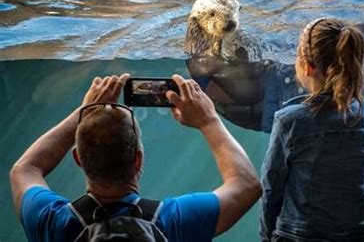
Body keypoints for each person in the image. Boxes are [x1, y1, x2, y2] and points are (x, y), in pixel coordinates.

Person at [10, 73, 262, 241]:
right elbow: (247, 185)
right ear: (138, 160)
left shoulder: (54, 223)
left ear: (78, 158)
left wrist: (82, 113)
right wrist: (208, 120)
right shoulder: (171, 222)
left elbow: (25, 169)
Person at [260, 18, 364, 242]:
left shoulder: (289, 121)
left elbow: (272, 190)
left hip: (299, 236)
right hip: (357, 234)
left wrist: (266, 237)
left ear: (307, 66)